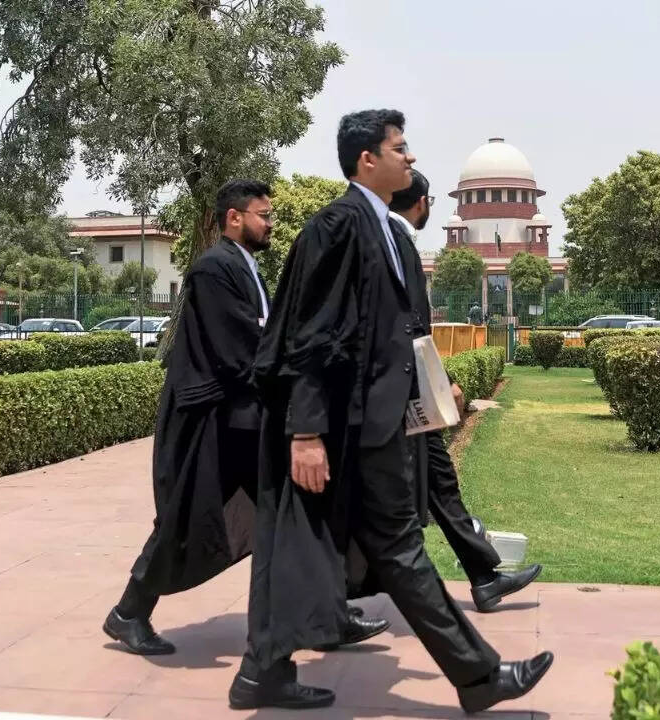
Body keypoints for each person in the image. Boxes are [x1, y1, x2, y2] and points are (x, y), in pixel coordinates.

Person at [228, 109, 552, 713]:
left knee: (327, 545)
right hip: (335, 428)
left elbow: (395, 336)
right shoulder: (337, 227)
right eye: (400, 148)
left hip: (371, 424)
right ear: (367, 160)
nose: (411, 157)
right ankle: (479, 677)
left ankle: (260, 674)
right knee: (366, 547)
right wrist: (305, 433)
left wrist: (428, 396)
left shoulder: (387, 233)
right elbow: (310, 336)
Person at [103, 179, 388, 656]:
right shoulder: (213, 269)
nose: (271, 223)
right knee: (186, 520)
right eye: (264, 215)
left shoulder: (243, 266)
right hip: (214, 422)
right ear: (234, 218)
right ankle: (129, 613)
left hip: (242, 416)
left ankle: (325, 613)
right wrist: (295, 377)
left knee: (298, 509)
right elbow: (240, 347)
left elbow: (263, 337)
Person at [386, 169, 542, 611]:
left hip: (404, 391)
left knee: (440, 483)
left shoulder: (396, 241)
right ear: (422, 203)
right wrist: (440, 382)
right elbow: (409, 327)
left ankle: (484, 576)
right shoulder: (392, 243)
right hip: (392, 392)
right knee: (382, 497)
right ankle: (334, 595)